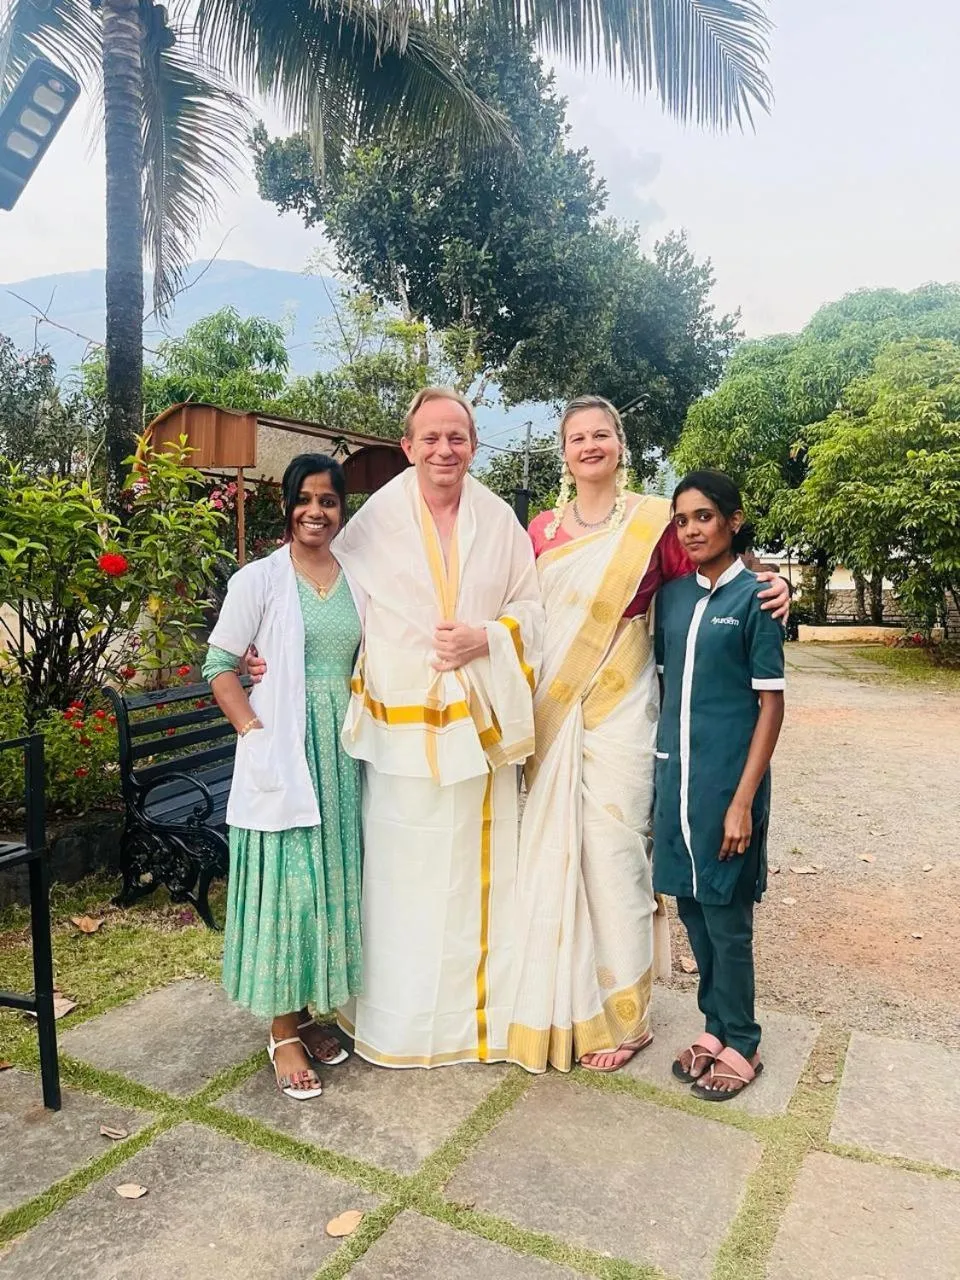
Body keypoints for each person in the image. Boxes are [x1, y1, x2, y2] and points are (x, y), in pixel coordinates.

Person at [507, 397, 790, 1075]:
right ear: (563, 451)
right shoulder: (539, 532)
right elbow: (514, 614)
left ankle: (627, 1019)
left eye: (601, 433)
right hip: (554, 717)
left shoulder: (655, 523)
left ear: (620, 443)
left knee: (615, 858)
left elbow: (716, 570)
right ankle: (559, 1004)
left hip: (624, 721)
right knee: (552, 858)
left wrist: (775, 586)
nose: (590, 445)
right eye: (577, 436)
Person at [332, 387, 542, 1068]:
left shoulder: (500, 520)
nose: (444, 450)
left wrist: (486, 637)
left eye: (457, 437)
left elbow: (533, 611)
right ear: (408, 446)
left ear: (474, 445)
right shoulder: (373, 523)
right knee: (403, 879)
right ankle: (395, 1023)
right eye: (431, 438)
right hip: (400, 734)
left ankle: (475, 1024)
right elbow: (340, 609)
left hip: (478, 733)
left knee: (477, 881)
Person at [203, 454, 365, 1101]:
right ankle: (282, 1030)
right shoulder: (261, 580)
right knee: (291, 885)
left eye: (328, 501)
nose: (316, 512)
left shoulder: (358, 579)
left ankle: (313, 1010)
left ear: (341, 510)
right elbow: (219, 667)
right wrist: (253, 731)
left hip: (341, 756)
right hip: (284, 751)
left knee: (329, 882)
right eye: (305, 499)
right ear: (287, 505)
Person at [654, 469, 785, 1102]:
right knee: (691, 909)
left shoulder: (757, 598)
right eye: (682, 520)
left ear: (733, 520)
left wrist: (742, 802)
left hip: (725, 787)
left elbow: (771, 706)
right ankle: (713, 1028)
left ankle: (745, 1041)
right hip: (675, 780)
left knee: (727, 918)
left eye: (704, 516)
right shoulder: (674, 599)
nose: (693, 529)